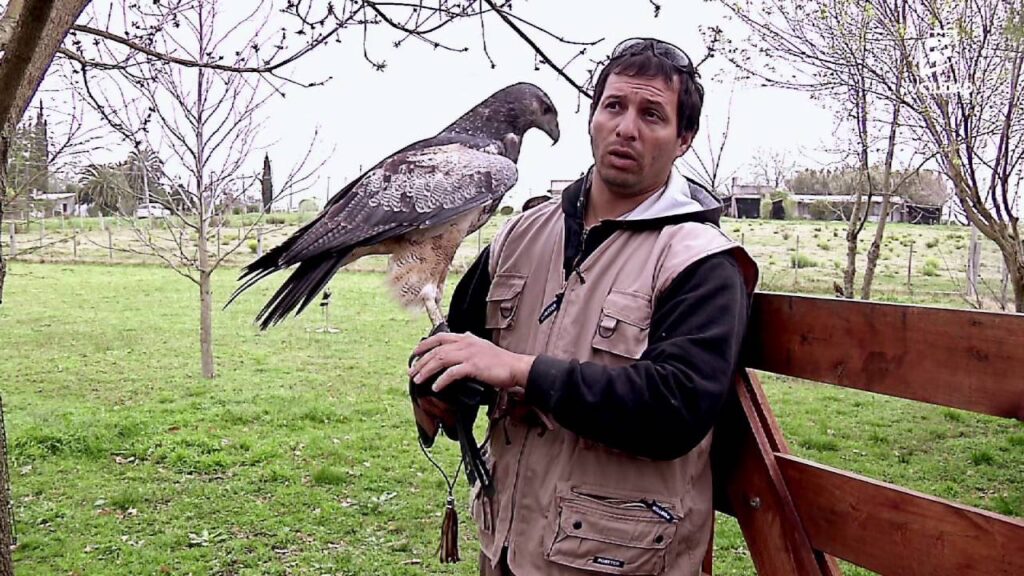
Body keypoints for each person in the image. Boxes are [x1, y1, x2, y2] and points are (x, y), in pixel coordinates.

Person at [408, 37, 759, 576]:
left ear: (684, 139)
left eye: (652, 115)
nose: (626, 127)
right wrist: (436, 387)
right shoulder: (519, 235)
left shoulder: (700, 261)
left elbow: (676, 408)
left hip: (621, 560)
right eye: (613, 106)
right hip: (507, 550)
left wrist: (522, 371)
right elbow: (461, 343)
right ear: (593, 118)